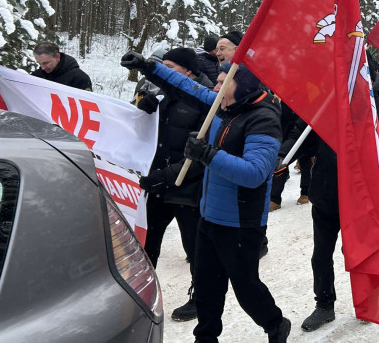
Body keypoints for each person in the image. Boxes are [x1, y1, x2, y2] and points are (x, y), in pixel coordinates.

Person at [120, 52, 291, 343]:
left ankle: (275, 324)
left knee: (246, 288)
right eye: (218, 82)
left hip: (240, 222)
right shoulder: (223, 105)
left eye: (224, 83)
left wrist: (208, 155)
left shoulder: (263, 119)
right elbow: (187, 87)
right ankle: (206, 337)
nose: (216, 88)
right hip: (209, 214)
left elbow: (255, 173)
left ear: (244, 86)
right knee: (206, 285)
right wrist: (149, 68)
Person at [293, 97, 379, 332]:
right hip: (326, 197)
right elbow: (303, 142)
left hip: (363, 203)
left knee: (362, 254)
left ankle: (367, 302)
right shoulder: (327, 108)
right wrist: (284, 150)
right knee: (320, 256)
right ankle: (324, 304)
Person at [135, 47, 213, 322]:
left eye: (169, 67)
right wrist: (145, 113)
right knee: (146, 243)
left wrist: (166, 175)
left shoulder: (208, 100)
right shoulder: (165, 94)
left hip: (188, 187)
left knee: (195, 248)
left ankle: (200, 298)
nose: (163, 71)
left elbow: (202, 154)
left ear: (187, 71)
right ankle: (141, 293)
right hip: (159, 184)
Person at [270, 102, 312, 210]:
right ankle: (274, 198)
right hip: (285, 128)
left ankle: (305, 192)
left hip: (304, 127)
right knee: (282, 159)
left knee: (305, 159)